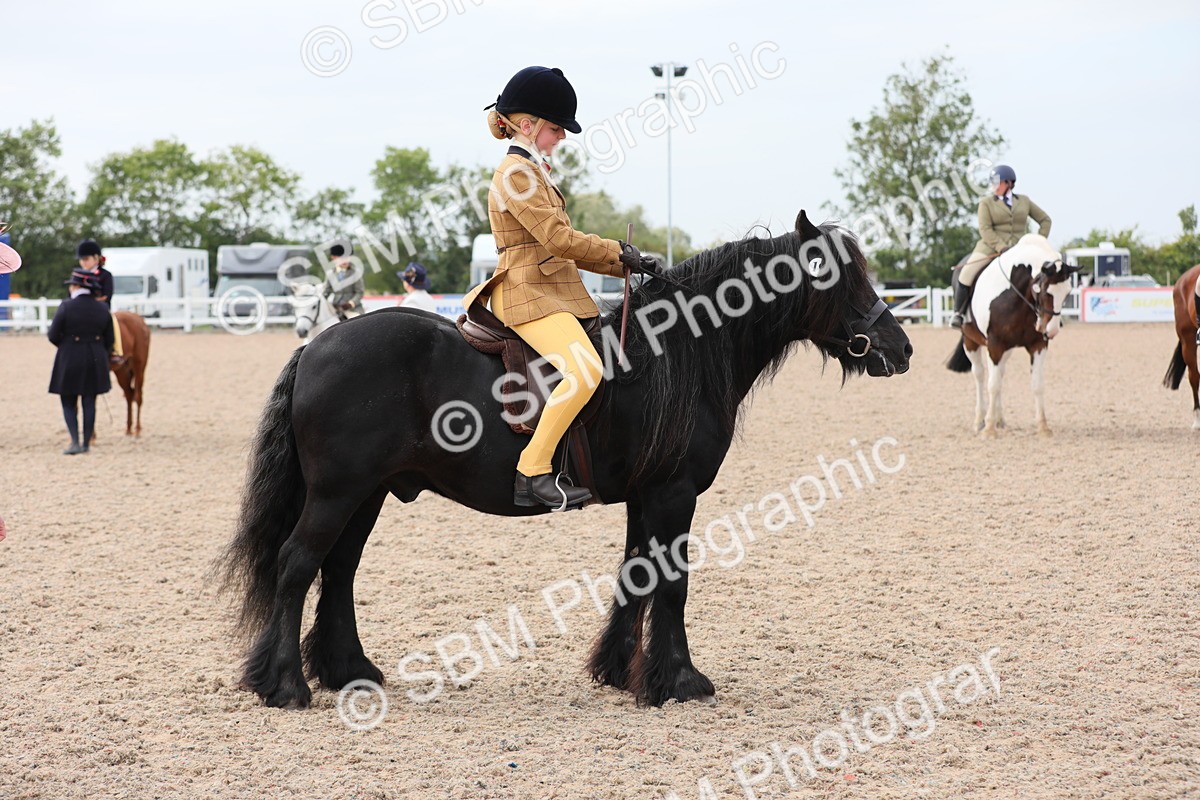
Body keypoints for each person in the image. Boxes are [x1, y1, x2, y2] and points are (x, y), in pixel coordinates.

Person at [463, 65, 660, 511]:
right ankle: (532, 471)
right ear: (527, 125)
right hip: (526, 292)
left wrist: (623, 258)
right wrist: (618, 253)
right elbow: (557, 239)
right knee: (586, 371)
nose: (562, 137)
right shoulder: (516, 173)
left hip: (554, 290)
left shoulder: (535, 169)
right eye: (556, 128)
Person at [950, 165, 1052, 329]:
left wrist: (1036, 241)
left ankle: (1048, 315)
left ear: (1009, 183)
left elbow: (1045, 220)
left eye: (997, 183)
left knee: (1046, 276)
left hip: (1021, 250)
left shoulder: (1024, 201)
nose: (994, 186)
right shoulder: (986, 203)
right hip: (990, 248)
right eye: (992, 183)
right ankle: (959, 313)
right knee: (966, 273)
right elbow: (985, 229)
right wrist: (1001, 247)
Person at [48, 270, 114, 455]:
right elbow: (110, 339)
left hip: (70, 355)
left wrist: (66, 345)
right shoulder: (102, 308)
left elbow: (53, 335)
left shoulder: (66, 306)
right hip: (95, 356)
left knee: (68, 400)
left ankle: (74, 441)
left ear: (76, 286)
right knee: (89, 400)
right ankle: (86, 443)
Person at [75, 239, 125, 364]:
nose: (83, 262)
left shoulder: (105, 275)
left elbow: (107, 296)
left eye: (86, 259)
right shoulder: (77, 275)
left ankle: (115, 350)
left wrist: (88, 302)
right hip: (79, 310)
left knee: (113, 321)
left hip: (100, 310)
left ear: (96, 258)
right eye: (81, 259)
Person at [322, 241, 364, 321]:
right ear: (333, 258)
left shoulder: (356, 272)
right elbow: (326, 292)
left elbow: (360, 292)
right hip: (336, 308)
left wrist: (350, 304)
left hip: (353, 309)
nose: (345, 260)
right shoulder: (330, 273)